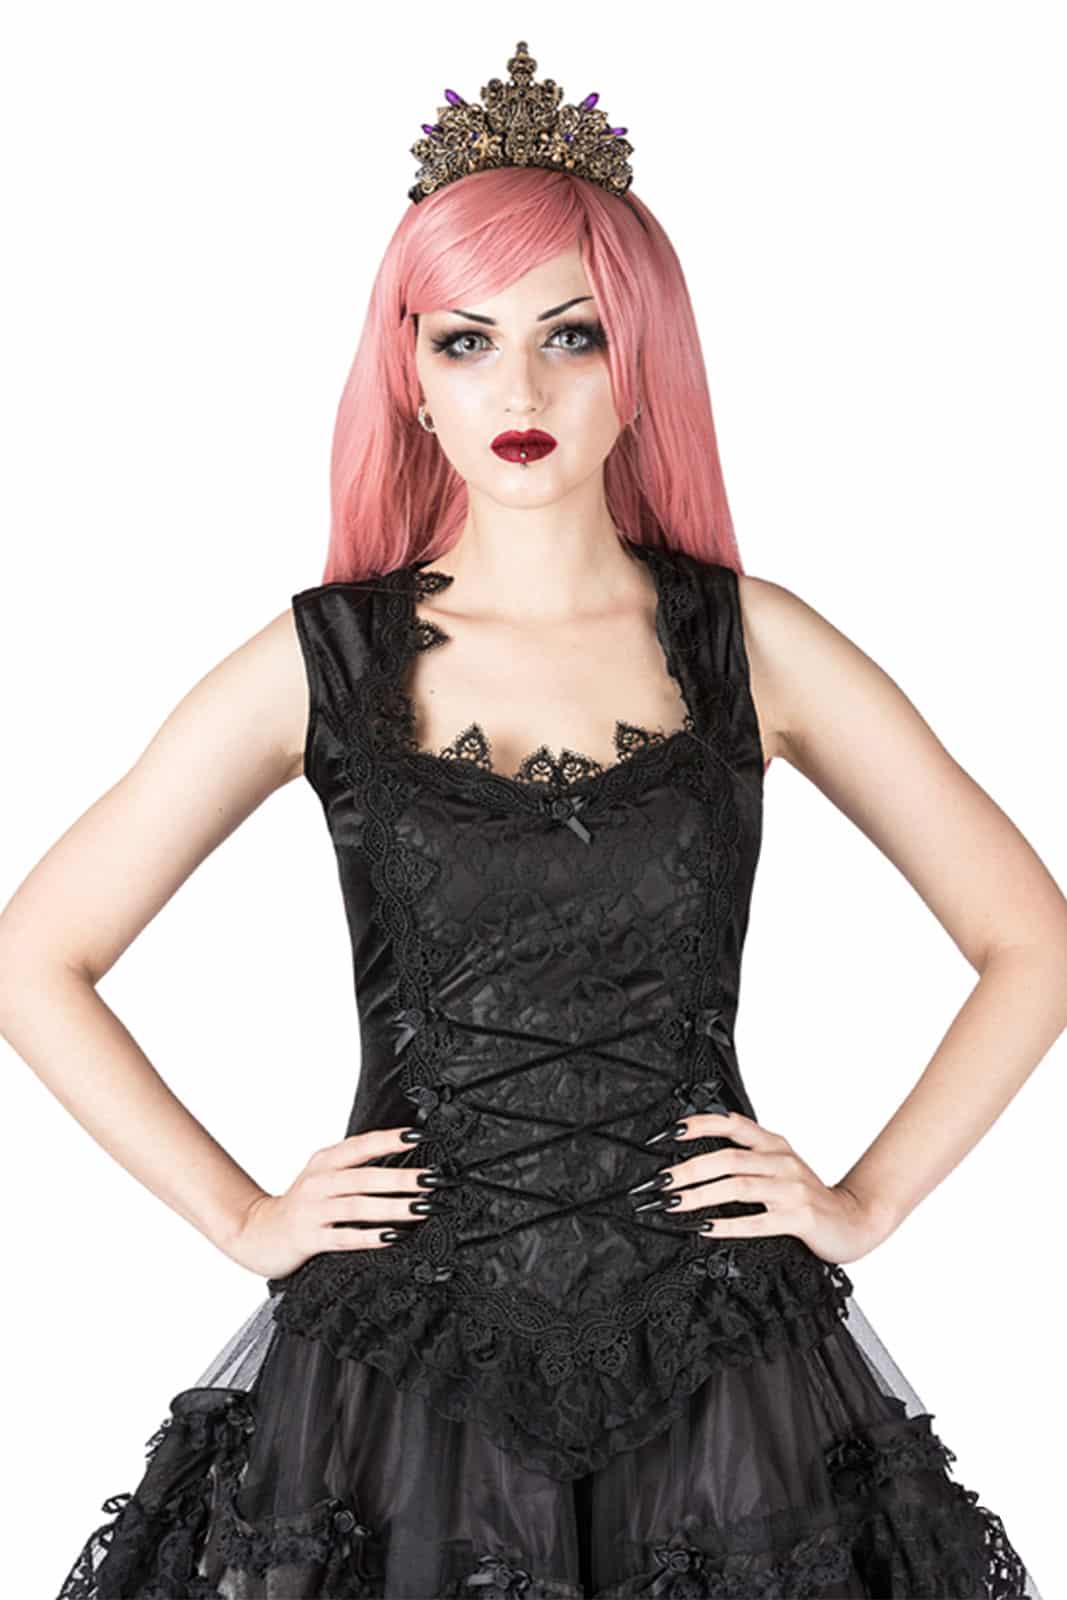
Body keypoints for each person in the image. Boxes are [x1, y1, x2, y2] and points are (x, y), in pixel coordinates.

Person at [3, 38, 1055, 1600]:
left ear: (642, 364)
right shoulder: (326, 661)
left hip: (719, 1362)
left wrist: (869, 1198)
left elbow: (1030, 940)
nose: (519, 388)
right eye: (466, 341)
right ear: (411, 376)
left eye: (572, 335)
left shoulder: (752, 645)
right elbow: (37, 956)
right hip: (398, 1370)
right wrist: (241, 1213)